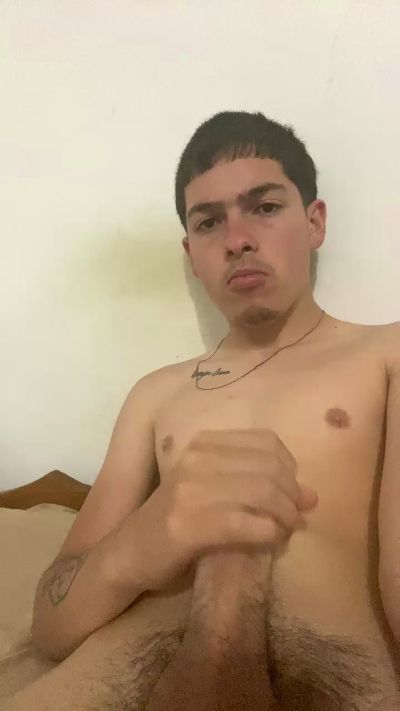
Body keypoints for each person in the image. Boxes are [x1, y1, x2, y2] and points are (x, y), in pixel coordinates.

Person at [5, 110, 400, 711]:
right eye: (210, 221)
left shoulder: (386, 355)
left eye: (264, 207)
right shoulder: (156, 394)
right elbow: (52, 624)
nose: (237, 239)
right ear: (192, 254)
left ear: (315, 221)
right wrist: (140, 543)